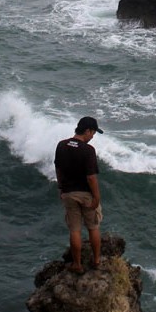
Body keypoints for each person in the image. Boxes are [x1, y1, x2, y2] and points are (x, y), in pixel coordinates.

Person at [54, 116, 104, 274]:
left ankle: (77, 264)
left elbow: (58, 169)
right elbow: (91, 177)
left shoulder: (61, 145)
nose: (92, 137)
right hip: (85, 195)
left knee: (75, 230)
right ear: (87, 130)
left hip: (68, 193)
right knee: (93, 227)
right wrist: (96, 197)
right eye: (93, 133)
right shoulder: (88, 150)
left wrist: (61, 188)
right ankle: (96, 261)